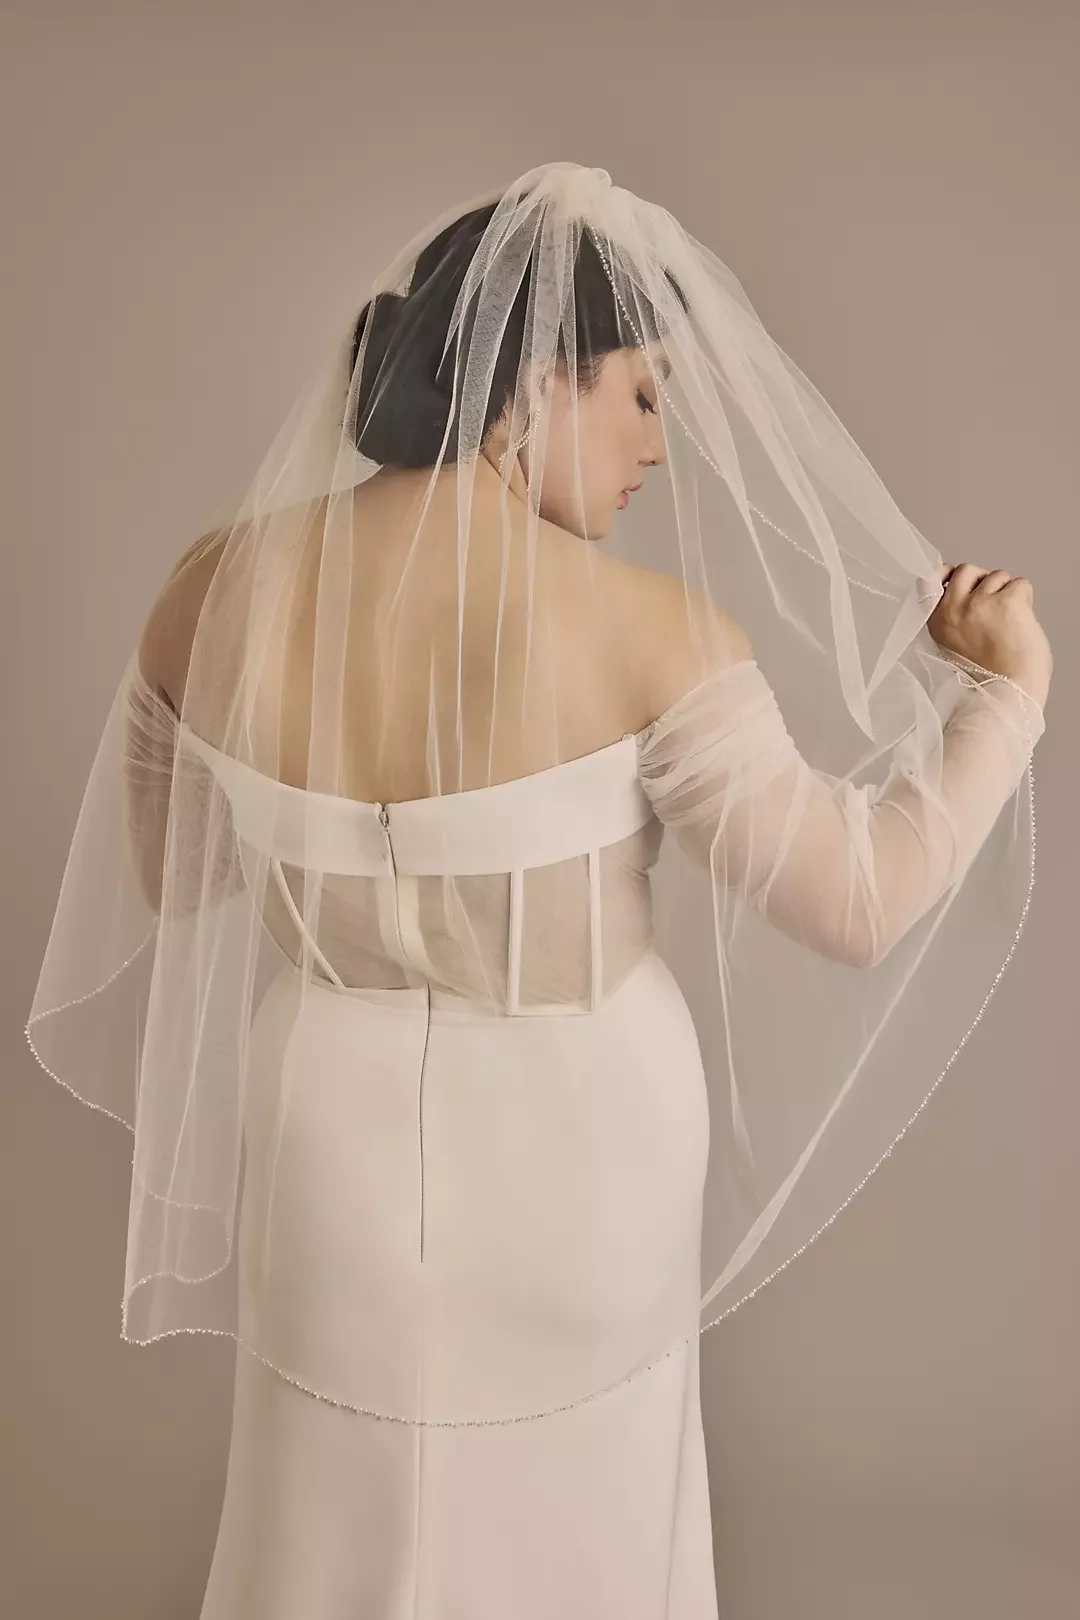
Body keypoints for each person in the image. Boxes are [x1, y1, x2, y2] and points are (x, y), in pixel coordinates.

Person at [26, 163, 1051, 1618]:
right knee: (582, 1522)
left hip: (324, 1145)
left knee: (330, 1511)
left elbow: (167, 875)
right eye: (639, 394)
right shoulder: (649, 633)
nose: (659, 445)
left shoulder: (213, 588)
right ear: (532, 384)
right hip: (582, 1157)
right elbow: (860, 903)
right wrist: (1007, 701)